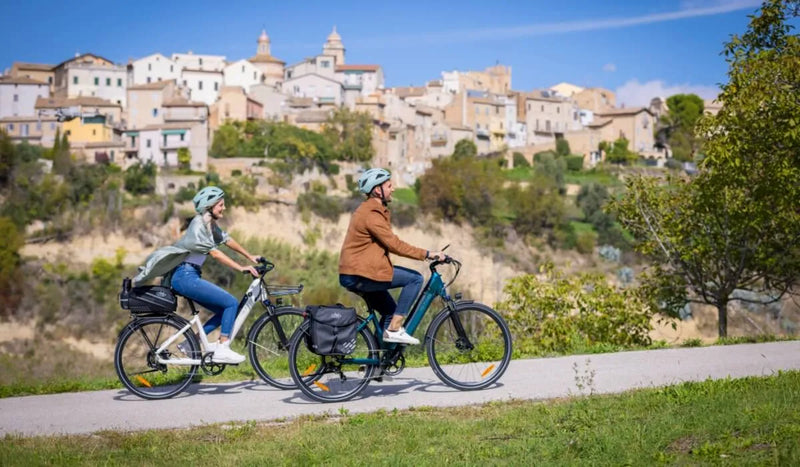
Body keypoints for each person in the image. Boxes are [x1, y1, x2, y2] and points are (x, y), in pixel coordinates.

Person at [133, 186, 260, 364]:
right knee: (231, 303)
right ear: (209, 206)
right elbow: (215, 253)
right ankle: (223, 348)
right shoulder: (198, 226)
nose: (224, 208)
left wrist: (249, 256)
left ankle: (189, 344)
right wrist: (240, 267)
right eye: (220, 205)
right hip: (184, 276)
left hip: (188, 275)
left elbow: (226, 239)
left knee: (224, 310)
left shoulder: (209, 224)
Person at [339, 168, 444, 345]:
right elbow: (394, 244)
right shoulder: (371, 214)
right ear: (377, 190)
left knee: (389, 311)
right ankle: (395, 328)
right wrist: (427, 254)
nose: (393, 189)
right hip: (359, 275)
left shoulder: (372, 210)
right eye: (389, 185)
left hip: (360, 273)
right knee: (415, 279)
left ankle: (377, 363)